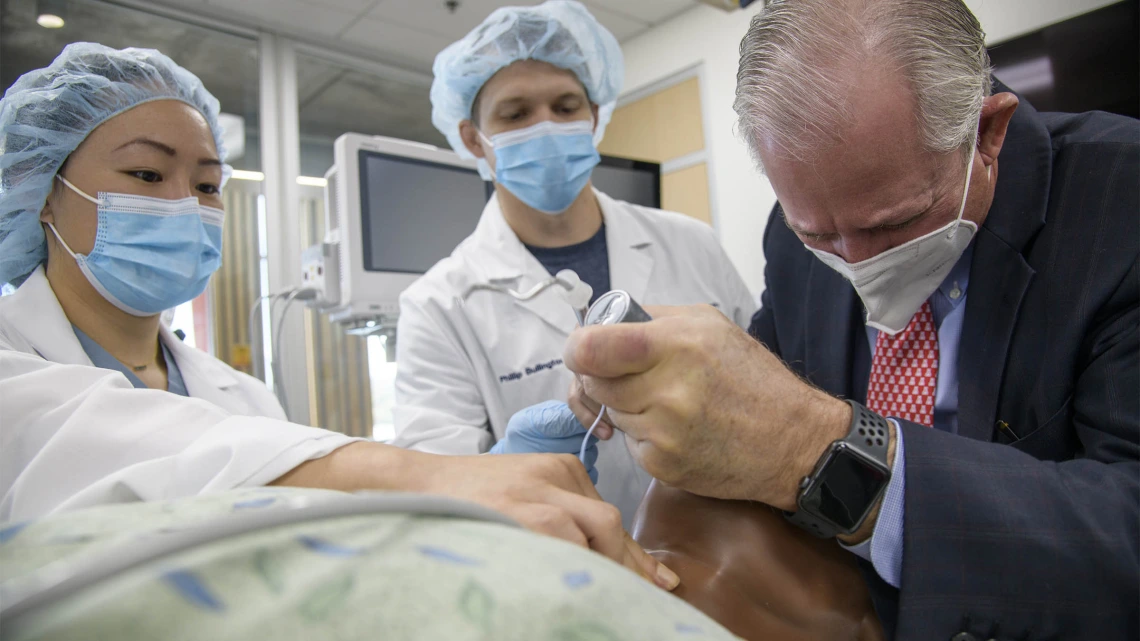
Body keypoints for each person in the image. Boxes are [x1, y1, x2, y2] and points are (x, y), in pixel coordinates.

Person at [0, 42, 678, 591]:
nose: (185, 204)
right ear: (42, 195)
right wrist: (440, 476)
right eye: (148, 176)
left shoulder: (247, 398)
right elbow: (82, 438)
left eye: (208, 185)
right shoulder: (13, 360)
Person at [558, 0, 1139, 639]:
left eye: (896, 223)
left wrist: (823, 453)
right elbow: (758, 399)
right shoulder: (789, 239)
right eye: (823, 237)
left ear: (990, 133)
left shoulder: (1120, 203)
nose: (861, 268)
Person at [392, 0, 756, 525]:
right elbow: (434, 485)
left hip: (724, 552)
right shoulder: (439, 304)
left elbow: (763, 372)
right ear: (474, 138)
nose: (546, 126)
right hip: (560, 570)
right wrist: (502, 467)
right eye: (515, 113)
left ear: (594, 116)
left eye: (565, 107)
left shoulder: (690, 243)